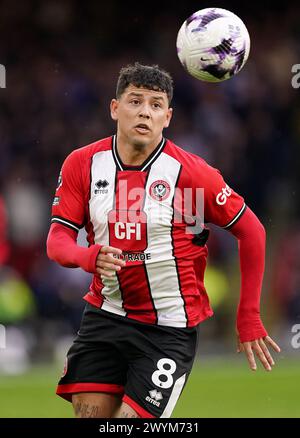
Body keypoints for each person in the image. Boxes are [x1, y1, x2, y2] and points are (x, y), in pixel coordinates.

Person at [46, 62, 280, 418]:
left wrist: (248, 316)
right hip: (106, 316)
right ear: (114, 108)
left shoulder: (192, 173)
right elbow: (58, 240)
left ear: (167, 117)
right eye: (135, 101)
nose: (145, 112)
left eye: (155, 105)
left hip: (168, 328)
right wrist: (87, 257)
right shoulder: (83, 164)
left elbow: (251, 231)